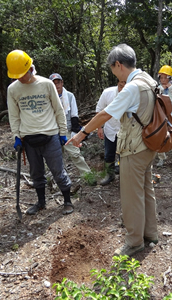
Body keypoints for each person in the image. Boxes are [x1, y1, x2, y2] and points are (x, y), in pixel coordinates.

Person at [67, 44, 159, 257]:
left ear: (118, 65)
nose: (113, 73)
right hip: (150, 144)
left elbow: (104, 114)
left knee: (131, 196)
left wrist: (82, 133)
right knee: (146, 189)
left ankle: (135, 241)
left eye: (112, 68)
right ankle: (150, 233)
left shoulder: (132, 87)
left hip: (134, 147)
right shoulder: (149, 80)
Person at [6, 50, 74, 216]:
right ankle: (41, 202)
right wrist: (16, 136)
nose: (21, 78)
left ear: (30, 68)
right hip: (29, 139)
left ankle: (67, 201)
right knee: (36, 173)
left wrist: (63, 133)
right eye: (17, 76)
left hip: (50, 136)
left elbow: (59, 110)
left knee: (58, 171)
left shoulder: (46, 84)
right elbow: (14, 115)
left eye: (22, 74)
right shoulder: (13, 89)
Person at [49, 73, 91, 176]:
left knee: (75, 153)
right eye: (53, 83)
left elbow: (74, 114)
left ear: (62, 83)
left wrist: (74, 131)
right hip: (53, 129)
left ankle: (87, 175)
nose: (56, 85)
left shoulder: (70, 96)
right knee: (55, 155)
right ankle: (57, 176)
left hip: (67, 129)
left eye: (58, 82)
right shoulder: (48, 97)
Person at [95, 80, 126, 185]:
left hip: (125, 131)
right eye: (121, 86)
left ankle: (124, 177)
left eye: (125, 86)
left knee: (124, 155)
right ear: (118, 84)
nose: (122, 89)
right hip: (110, 129)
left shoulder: (131, 95)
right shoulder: (108, 93)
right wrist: (99, 127)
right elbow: (99, 110)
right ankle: (110, 175)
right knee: (109, 154)